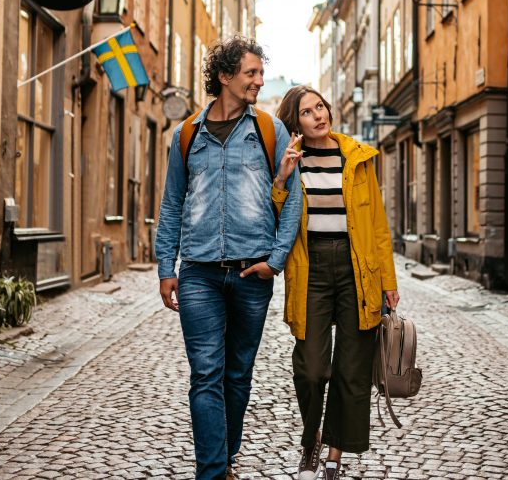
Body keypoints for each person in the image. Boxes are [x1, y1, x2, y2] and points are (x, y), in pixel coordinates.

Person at [155, 38, 302, 480]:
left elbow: (292, 198)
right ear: (225, 77)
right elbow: (172, 204)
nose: (259, 81)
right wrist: (167, 266)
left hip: (252, 271)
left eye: (261, 73)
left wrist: (274, 261)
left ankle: (228, 452)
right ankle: (213, 472)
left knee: (237, 376)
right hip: (198, 272)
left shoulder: (269, 130)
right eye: (251, 73)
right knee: (205, 375)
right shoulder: (187, 134)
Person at [271, 86, 399, 480]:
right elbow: (273, 219)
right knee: (311, 369)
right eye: (307, 112)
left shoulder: (357, 158)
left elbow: (377, 225)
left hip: (356, 268)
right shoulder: (290, 161)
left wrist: (388, 280)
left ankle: (334, 453)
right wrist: (282, 177)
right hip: (310, 269)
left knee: (351, 368)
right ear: (295, 122)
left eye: (320, 107)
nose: (318, 115)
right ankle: (312, 438)